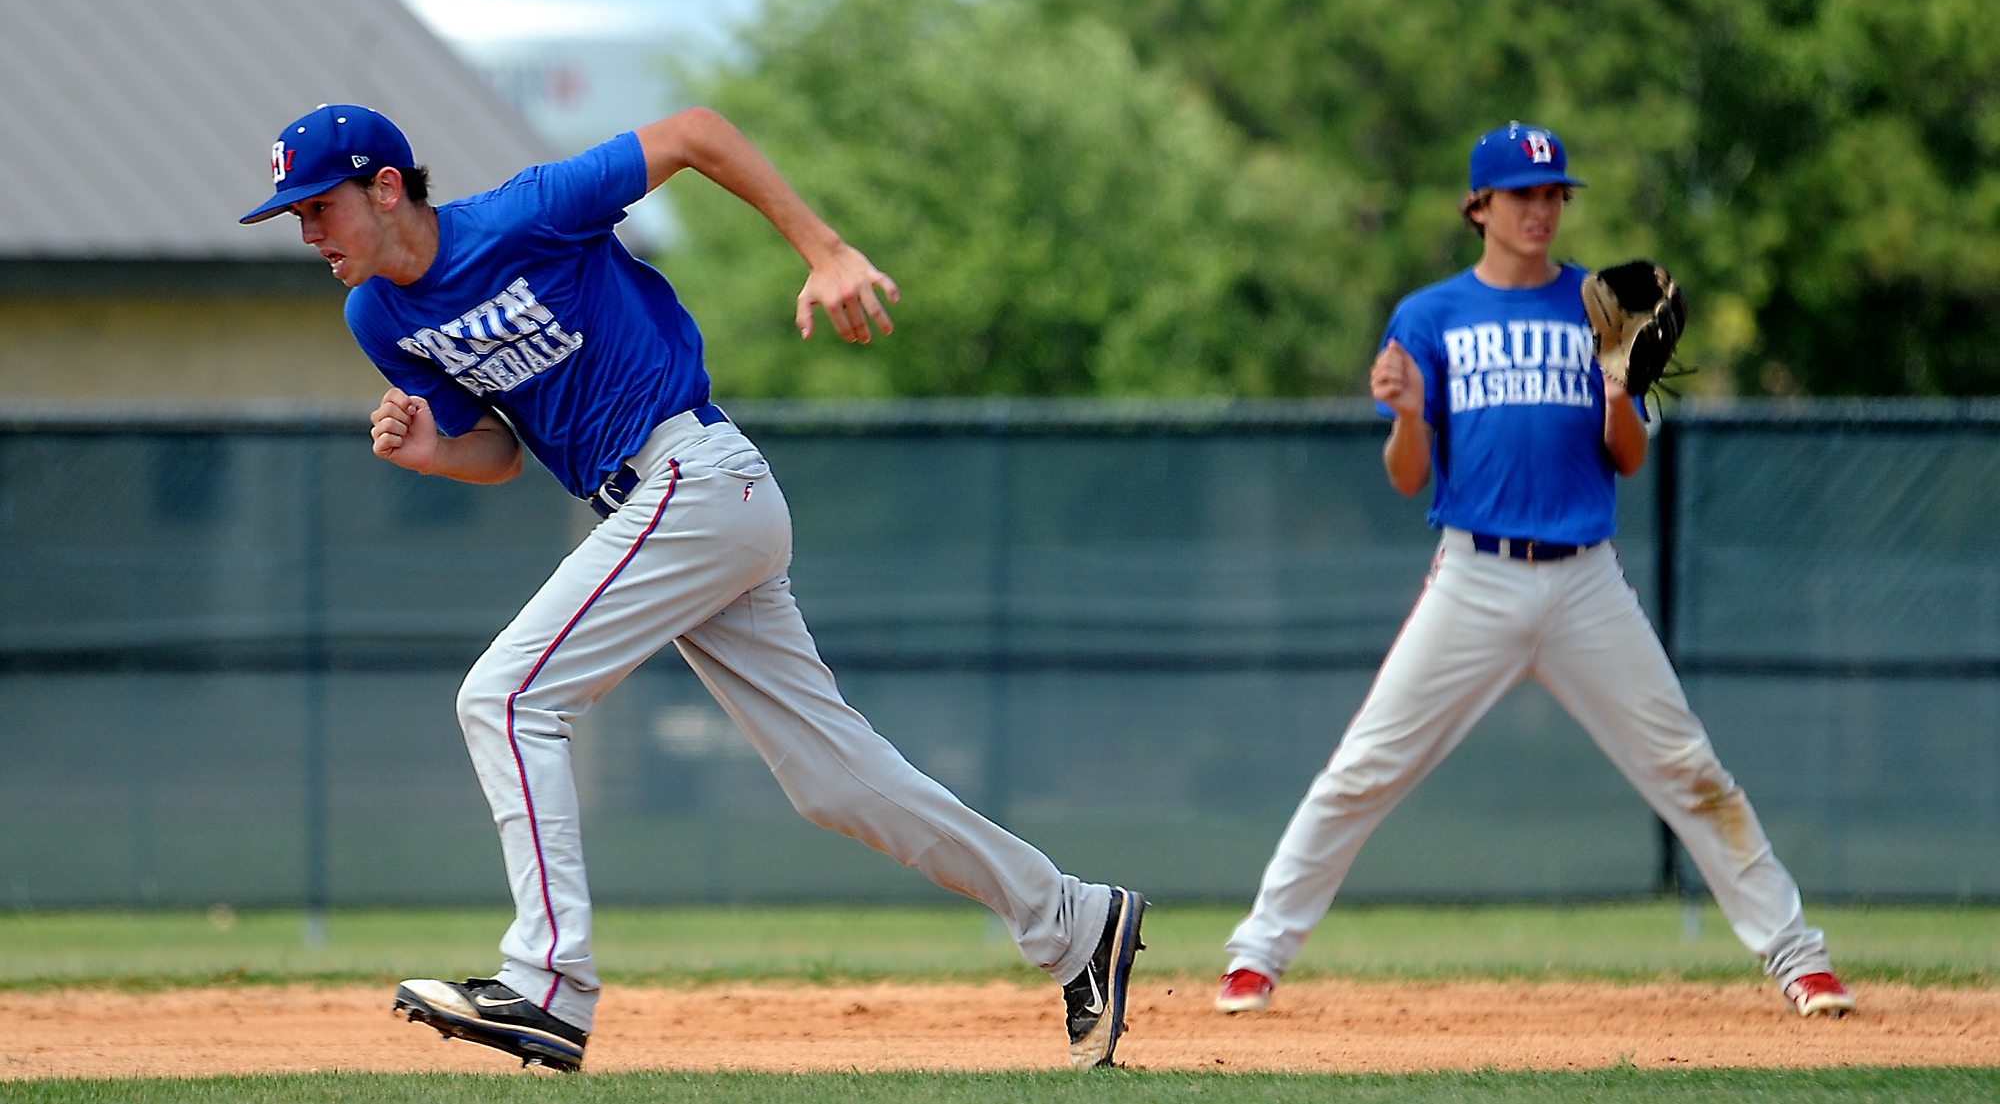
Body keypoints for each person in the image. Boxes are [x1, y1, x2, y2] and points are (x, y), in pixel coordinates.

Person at [240, 104, 1144, 1072]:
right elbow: (500, 450)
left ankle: (547, 983)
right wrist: (434, 453)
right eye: (293, 213)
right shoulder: (378, 313)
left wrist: (824, 249)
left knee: (504, 696)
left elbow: (694, 134)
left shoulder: (522, 215)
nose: (306, 230)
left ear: (385, 187)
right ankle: (1071, 917)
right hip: (669, 511)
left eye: (318, 204)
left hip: (693, 477)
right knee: (832, 780)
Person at [1211, 122, 1855, 1021]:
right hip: (1474, 577)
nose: (1542, 210)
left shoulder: (1597, 306)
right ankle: (1256, 956)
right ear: (1479, 207)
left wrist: (1622, 389)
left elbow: (1626, 459)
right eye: (1522, 195)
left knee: (1691, 769)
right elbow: (1407, 478)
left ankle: (1801, 959)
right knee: (1363, 769)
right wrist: (1405, 416)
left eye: (1553, 195)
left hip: (1587, 579)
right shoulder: (1430, 317)